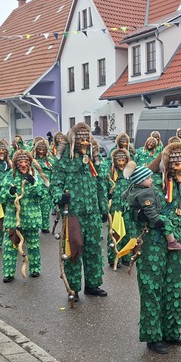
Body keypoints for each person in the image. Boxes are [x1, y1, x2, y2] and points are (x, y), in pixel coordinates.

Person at [125, 144, 181, 354]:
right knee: (152, 288)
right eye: (176, 164)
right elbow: (129, 205)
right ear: (168, 165)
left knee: (176, 288)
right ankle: (153, 336)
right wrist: (140, 215)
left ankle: (171, 332)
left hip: (177, 243)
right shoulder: (151, 183)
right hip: (152, 244)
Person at [51, 122, 109, 299]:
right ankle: (73, 288)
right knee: (74, 250)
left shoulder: (93, 157)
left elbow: (101, 183)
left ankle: (92, 284)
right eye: (81, 139)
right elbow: (55, 184)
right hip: (73, 213)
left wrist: (103, 208)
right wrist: (60, 197)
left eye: (87, 139)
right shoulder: (64, 159)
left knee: (94, 249)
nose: (85, 142)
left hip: (92, 212)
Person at [0, 149, 48, 281]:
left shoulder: (35, 176)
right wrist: (10, 193)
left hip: (31, 219)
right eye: (20, 162)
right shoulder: (10, 176)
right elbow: (2, 196)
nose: (23, 165)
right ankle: (8, 273)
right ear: (16, 164)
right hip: (14, 220)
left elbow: (43, 195)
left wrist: (33, 184)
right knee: (10, 246)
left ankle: (35, 269)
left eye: (26, 162)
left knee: (33, 246)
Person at [32, 138, 55, 233]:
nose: (41, 152)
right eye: (39, 150)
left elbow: (55, 174)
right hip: (34, 189)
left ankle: (45, 226)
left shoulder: (50, 161)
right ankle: (34, 227)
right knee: (35, 210)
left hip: (46, 189)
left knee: (46, 209)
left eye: (43, 150)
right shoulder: (32, 161)